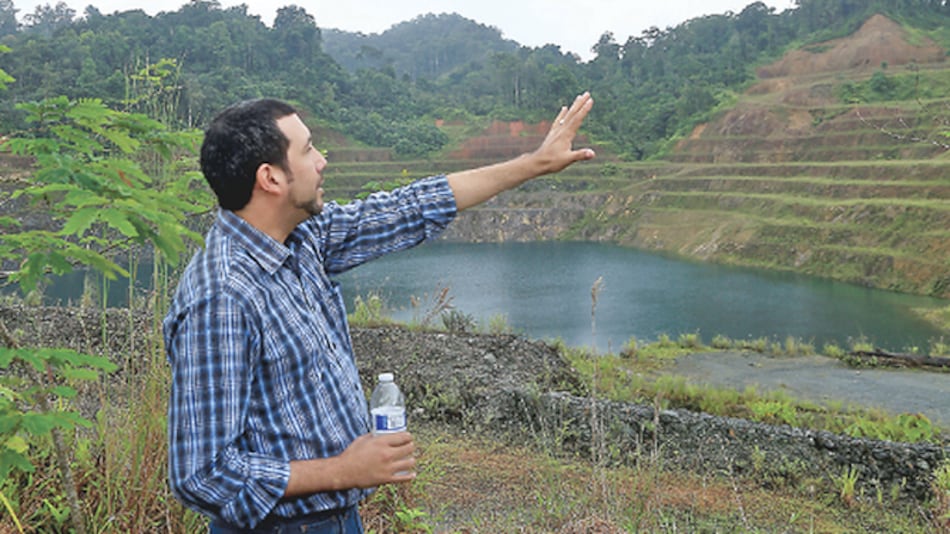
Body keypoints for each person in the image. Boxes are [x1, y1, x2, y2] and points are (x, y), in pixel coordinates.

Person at [163, 93, 595, 533]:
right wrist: (342, 471)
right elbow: (203, 474)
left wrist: (535, 163)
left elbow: (408, 208)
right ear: (270, 178)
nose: (323, 160)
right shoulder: (222, 298)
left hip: (336, 520)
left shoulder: (302, 239)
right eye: (309, 149)